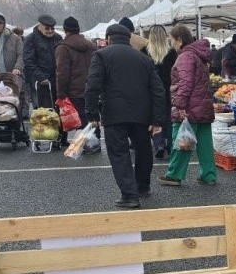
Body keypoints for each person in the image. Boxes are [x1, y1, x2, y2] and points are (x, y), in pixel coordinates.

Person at [85, 24, 166, 209]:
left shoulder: (101, 55)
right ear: (128, 38)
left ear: (108, 38)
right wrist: (157, 119)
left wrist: (92, 113)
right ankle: (142, 186)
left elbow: (92, 86)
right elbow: (158, 90)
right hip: (142, 113)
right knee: (143, 150)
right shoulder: (144, 58)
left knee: (119, 153)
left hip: (114, 113)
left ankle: (129, 195)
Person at [158, 25, 217, 187]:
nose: (171, 43)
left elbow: (185, 83)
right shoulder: (198, 55)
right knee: (205, 144)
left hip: (190, 107)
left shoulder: (186, 56)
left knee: (182, 140)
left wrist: (180, 104)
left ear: (179, 40)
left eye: (172, 40)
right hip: (203, 105)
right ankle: (208, 175)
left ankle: (174, 175)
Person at [54, 17, 97, 142]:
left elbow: (62, 73)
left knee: (81, 120)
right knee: (92, 117)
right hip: (91, 88)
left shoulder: (63, 48)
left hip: (74, 90)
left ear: (65, 30)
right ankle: (95, 142)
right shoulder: (91, 46)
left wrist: (61, 94)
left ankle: (86, 144)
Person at [143, 25, 178, 159]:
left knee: (154, 118)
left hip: (150, 91)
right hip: (168, 89)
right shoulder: (172, 52)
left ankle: (159, 144)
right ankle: (170, 144)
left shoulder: (144, 52)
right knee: (169, 118)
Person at [23, 14, 61, 109]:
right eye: (47, 28)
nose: (50, 31)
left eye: (52, 28)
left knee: (58, 108)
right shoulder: (31, 39)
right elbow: (28, 61)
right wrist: (41, 77)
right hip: (40, 80)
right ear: (39, 26)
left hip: (56, 79)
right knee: (44, 110)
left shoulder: (58, 38)